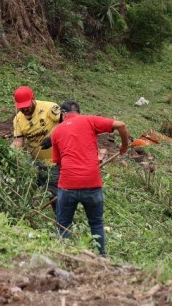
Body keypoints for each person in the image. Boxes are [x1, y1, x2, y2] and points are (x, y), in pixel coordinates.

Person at [51, 99, 129, 255]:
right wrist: (124, 146)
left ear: (63, 114)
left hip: (68, 184)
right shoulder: (89, 120)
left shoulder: (57, 131)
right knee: (96, 223)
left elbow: (58, 163)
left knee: (64, 225)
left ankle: (63, 257)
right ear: (78, 112)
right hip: (92, 183)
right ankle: (101, 258)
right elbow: (121, 125)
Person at [12, 85, 61, 203]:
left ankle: (61, 220)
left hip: (56, 161)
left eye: (26, 106)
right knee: (29, 190)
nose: (24, 110)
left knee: (55, 193)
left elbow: (70, 123)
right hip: (36, 163)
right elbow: (18, 141)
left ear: (33, 99)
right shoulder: (18, 119)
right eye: (21, 108)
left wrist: (53, 138)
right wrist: (9, 152)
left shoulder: (50, 108)